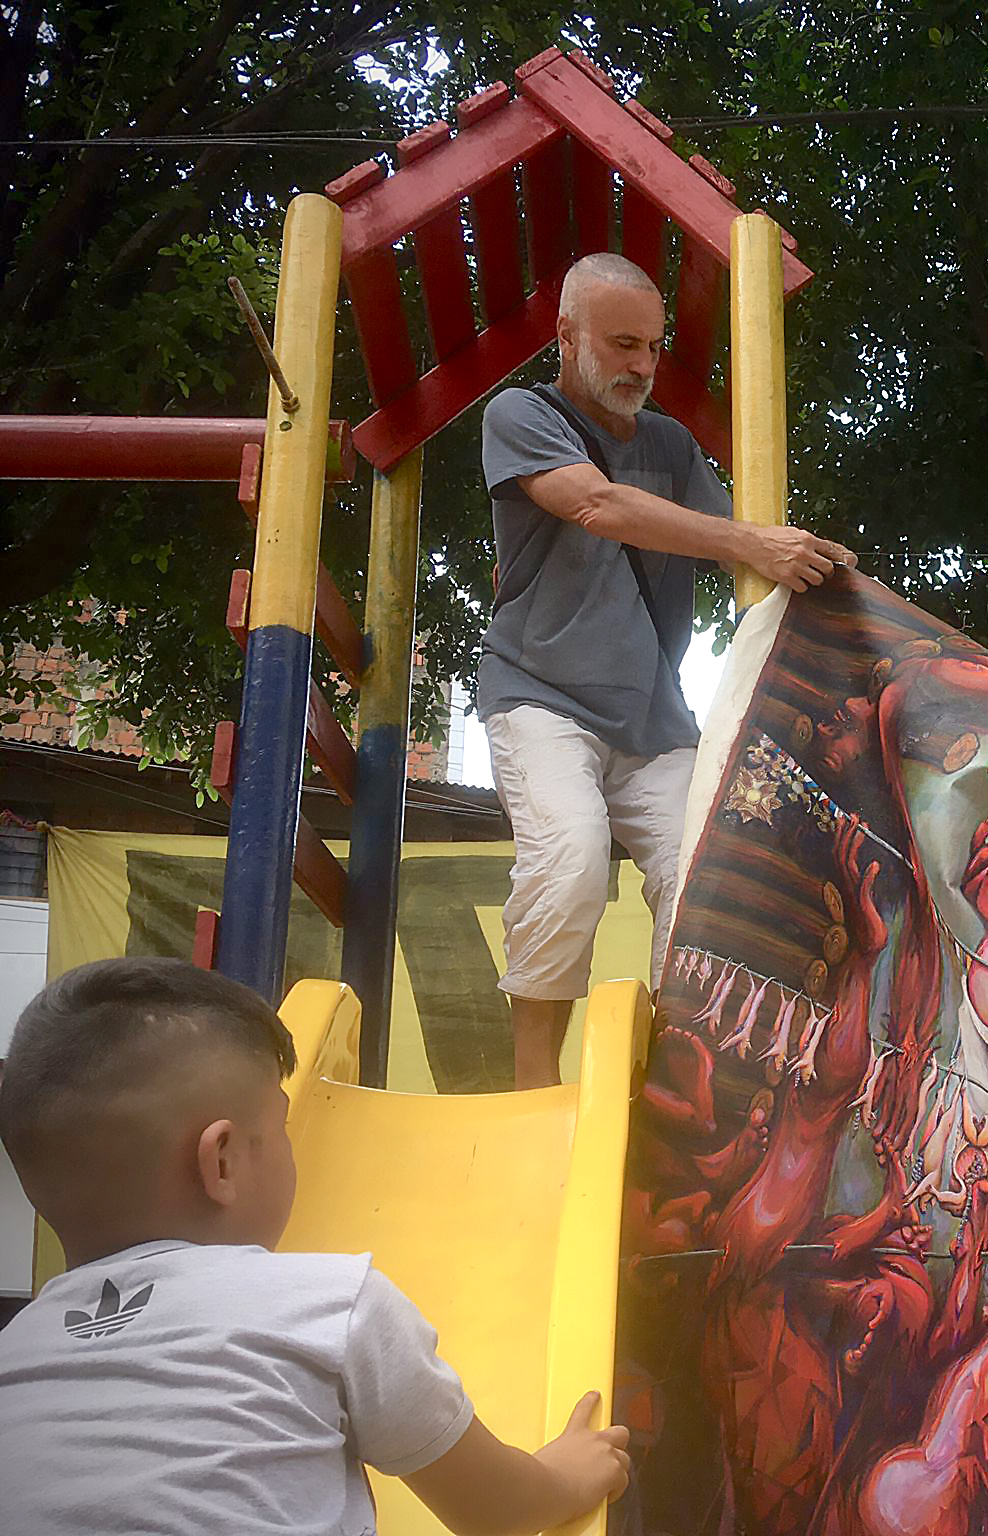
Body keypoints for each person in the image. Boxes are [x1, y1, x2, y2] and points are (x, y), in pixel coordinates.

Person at [0, 957, 631, 1535]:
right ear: (222, 1162)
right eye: (279, 1126)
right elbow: (501, 1512)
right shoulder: (331, 1308)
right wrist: (567, 1473)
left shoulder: (16, 1354)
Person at [480, 251, 857, 1087]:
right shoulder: (519, 415)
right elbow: (597, 504)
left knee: (708, 870)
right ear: (566, 336)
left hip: (653, 719)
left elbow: (748, 555)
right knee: (571, 854)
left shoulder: (672, 445)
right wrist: (749, 541)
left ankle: (664, 1081)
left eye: (652, 347)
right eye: (621, 345)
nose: (642, 366)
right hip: (541, 696)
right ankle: (531, 1086)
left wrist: (841, 595)